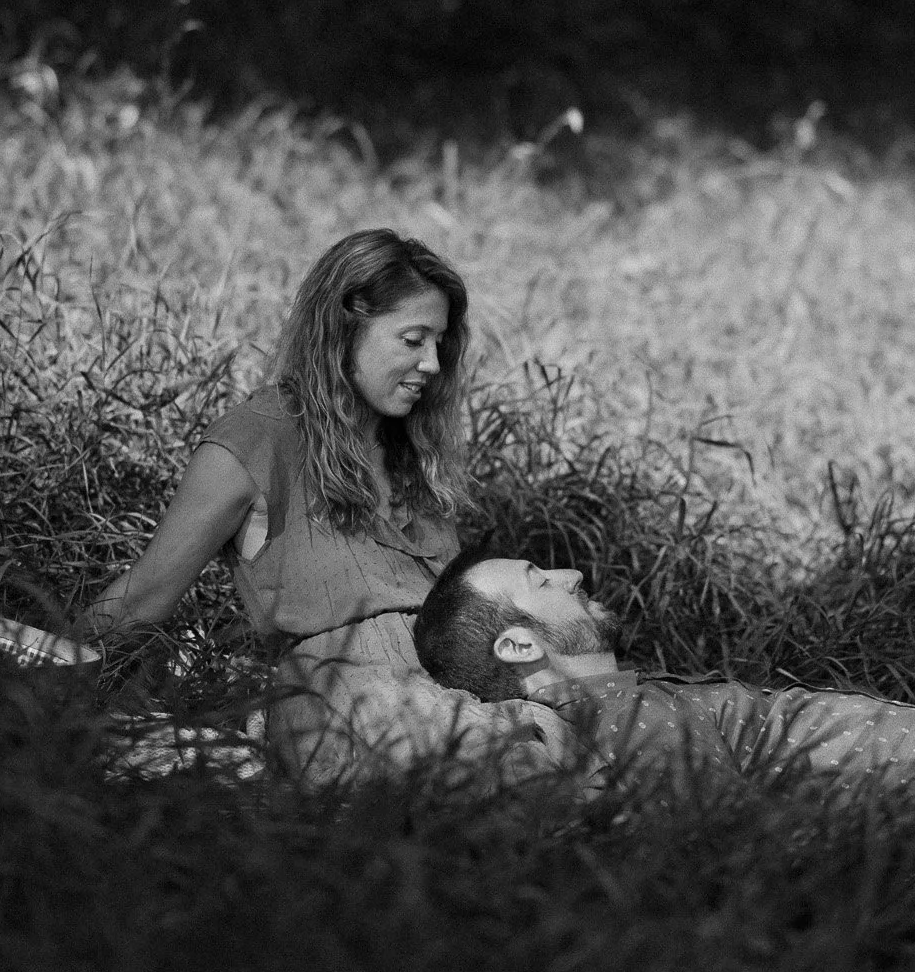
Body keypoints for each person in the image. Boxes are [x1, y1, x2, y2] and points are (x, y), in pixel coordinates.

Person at [76, 233, 569, 782]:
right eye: (412, 340)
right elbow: (144, 595)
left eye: (439, 344)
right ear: (344, 328)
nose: (431, 363)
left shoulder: (411, 455)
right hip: (346, 705)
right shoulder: (256, 442)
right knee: (528, 770)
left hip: (456, 704)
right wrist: (27, 673)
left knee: (605, 734)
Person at [413, 549, 915, 808]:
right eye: (539, 578)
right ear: (517, 646)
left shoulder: (638, 700)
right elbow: (733, 828)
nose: (571, 573)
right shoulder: (620, 721)